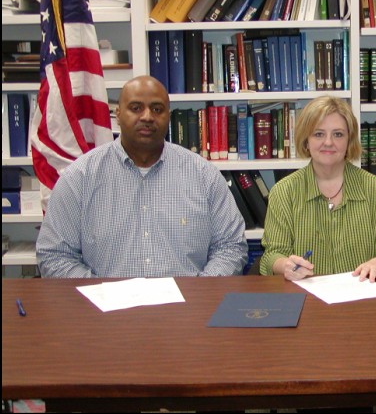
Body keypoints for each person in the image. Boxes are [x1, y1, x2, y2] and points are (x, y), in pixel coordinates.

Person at [37, 76, 248, 278]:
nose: (147, 116)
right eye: (136, 108)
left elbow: (231, 247)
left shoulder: (204, 176)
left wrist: (198, 291)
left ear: (169, 116)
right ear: (118, 115)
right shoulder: (79, 178)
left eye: (157, 109)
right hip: (106, 309)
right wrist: (98, 292)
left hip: (185, 309)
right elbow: (55, 255)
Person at [260, 96, 376, 282]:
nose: (328, 142)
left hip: (362, 296)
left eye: (338, 134)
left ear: (349, 140)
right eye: (319, 134)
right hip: (305, 297)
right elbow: (272, 255)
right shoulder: (284, 192)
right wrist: (286, 266)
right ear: (306, 140)